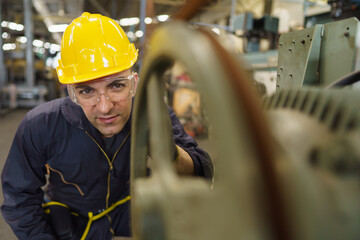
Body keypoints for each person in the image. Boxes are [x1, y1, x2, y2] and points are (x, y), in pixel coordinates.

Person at [1, 12, 213, 239]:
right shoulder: (40, 125)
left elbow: (202, 175)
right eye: (86, 91)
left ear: (134, 83)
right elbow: (19, 197)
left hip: (126, 208)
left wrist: (168, 152)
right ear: (71, 92)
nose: (104, 107)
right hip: (70, 215)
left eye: (116, 86)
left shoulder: (151, 113)